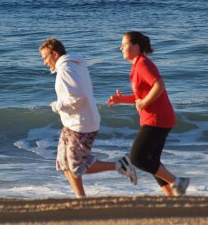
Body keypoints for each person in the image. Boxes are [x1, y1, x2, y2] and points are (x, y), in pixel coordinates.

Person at [39, 37, 137, 198]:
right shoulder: (75, 64)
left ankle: (121, 165)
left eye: (45, 58)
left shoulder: (65, 70)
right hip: (73, 123)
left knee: (77, 166)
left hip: (81, 124)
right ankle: (81, 198)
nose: (44, 62)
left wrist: (57, 106)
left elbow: (79, 97)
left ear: (55, 54)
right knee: (63, 164)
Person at [107, 31, 189, 196]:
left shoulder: (143, 64)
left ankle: (178, 182)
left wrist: (144, 103)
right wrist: (122, 100)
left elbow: (159, 85)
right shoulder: (137, 65)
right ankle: (171, 195)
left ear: (136, 47)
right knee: (152, 161)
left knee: (138, 158)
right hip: (158, 118)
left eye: (124, 44)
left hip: (157, 119)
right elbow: (142, 95)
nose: (120, 47)